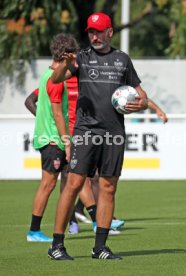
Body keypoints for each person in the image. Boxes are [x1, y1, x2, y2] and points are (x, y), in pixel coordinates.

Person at [48, 12, 148, 261]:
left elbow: (140, 94)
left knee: (108, 187)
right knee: (73, 185)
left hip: (114, 132)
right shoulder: (80, 58)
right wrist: (63, 63)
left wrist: (143, 103)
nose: (94, 36)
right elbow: (56, 79)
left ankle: (100, 248)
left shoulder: (122, 60)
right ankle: (57, 246)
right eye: (91, 32)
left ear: (110, 32)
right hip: (86, 132)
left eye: (99, 31)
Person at [26, 33, 79, 242]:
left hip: (52, 137)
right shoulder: (55, 80)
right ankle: (34, 231)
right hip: (53, 140)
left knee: (69, 182)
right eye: (73, 54)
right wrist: (66, 142)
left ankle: (69, 222)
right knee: (48, 184)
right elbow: (57, 113)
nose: (75, 58)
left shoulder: (50, 74)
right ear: (66, 55)